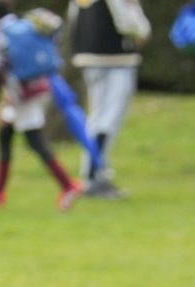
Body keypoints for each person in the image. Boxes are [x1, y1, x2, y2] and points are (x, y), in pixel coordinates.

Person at [0, 0, 85, 212]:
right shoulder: (21, 24)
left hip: (18, 95)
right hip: (36, 88)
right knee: (5, 136)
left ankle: (68, 185)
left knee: (35, 140)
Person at [66, 0, 152, 199]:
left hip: (89, 58)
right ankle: (96, 175)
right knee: (109, 119)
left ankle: (91, 174)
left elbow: (73, 19)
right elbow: (128, 22)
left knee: (96, 117)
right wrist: (142, 31)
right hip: (116, 58)